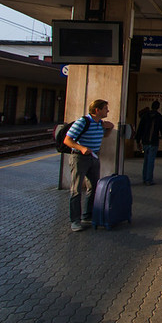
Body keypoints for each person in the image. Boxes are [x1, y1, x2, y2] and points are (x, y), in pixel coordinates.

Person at [64, 99, 114, 232]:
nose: (107, 111)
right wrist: (81, 148)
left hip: (94, 157)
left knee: (93, 187)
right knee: (76, 189)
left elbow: (104, 136)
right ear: (97, 110)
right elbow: (67, 140)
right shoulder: (82, 122)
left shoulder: (99, 124)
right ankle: (75, 220)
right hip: (79, 157)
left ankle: (87, 215)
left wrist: (110, 128)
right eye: (105, 109)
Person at [135, 100, 162, 186]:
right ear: (158, 107)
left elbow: (140, 129)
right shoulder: (159, 117)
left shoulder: (145, 116)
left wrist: (138, 140)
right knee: (151, 161)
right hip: (153, 142)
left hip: (145, 141)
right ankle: (149, 179)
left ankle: (145, 178)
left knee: (146, 160)